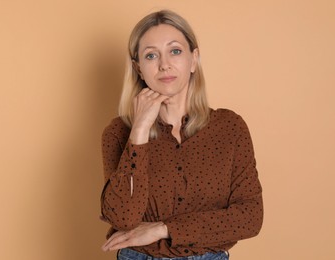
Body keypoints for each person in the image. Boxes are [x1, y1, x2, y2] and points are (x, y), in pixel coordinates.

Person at [100, 9, 263, 260]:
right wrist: (140, 131)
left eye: (175, 51)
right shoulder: (118, 133)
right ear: (139, 68)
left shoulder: (230, 127)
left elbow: (250, 217)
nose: (164, 64)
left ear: (194, 59)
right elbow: (123, 217)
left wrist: (163, 229)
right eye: (151, 55)